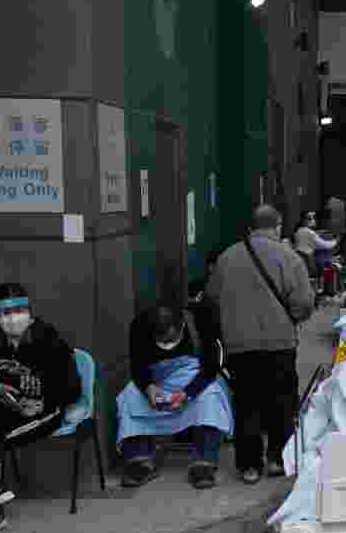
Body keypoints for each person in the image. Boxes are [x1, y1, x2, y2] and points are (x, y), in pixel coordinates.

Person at [0, 283, 81, 533]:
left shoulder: (47, 337)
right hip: (11, 410)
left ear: (29, 311)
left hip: (46, 410)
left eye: (17, 310)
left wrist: (36, 399)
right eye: (3, 313)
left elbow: (72, 389)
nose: (11, 318)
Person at [207, 204, 315, 483]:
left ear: (251, 227)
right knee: (281, 401)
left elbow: (213, 300)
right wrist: (291, 317)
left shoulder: (226, 258)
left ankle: (249, 465)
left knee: (246, 403)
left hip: (239, 345)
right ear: (277, 226)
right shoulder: (289, 258)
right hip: (279, 343)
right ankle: (278, 458)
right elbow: (303, 304)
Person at [117, 304, 232, 489]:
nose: (166, 343)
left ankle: (204, 461)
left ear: (181, 327)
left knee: (211, 396)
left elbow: (212, 366)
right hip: (157, 381)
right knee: (129, 396)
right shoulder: (139, 325)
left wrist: (188, 393)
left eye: (170, 338)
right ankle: (139, 460)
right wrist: (149, 388)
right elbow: (137, 365)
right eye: (160, 339)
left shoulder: (201, 319)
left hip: (194, 378)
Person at [294, 210, 338, 278]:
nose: (313, 220)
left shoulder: (298, 231)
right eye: (310, 218)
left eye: (314, 217)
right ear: (303, 220)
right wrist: (336, 241)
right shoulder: (309, 232)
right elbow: (325, 245)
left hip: (302, 259)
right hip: (309, 261)